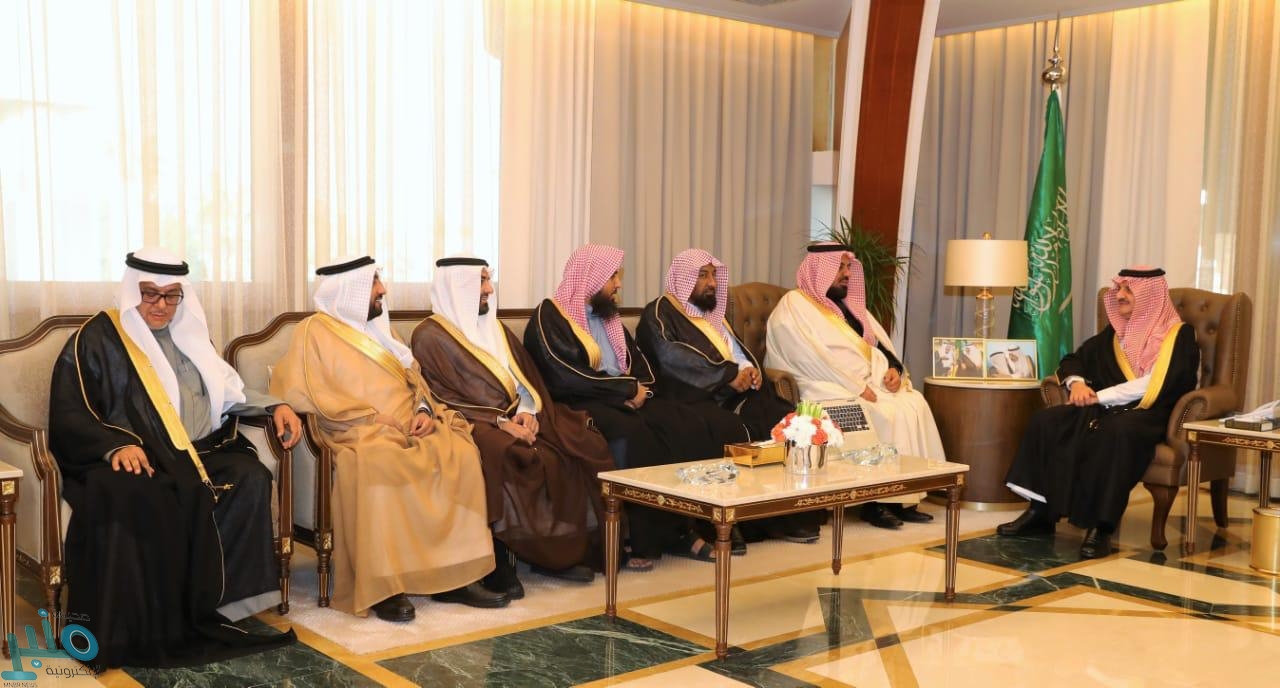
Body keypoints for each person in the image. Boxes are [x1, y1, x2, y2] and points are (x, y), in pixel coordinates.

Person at [49, 248, 300, 667]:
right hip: (141, 454)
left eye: (171, 296)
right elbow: (70, 410)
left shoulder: (192, 336)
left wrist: (275, 405)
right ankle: (154, 618)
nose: (161, 306)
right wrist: (115, 445)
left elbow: (227, 393)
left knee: (251, 475)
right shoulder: (99, 337)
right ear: (133, 291)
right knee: (147, 492)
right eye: (150, 294)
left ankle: (226, 602)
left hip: (199, 451)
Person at [270, 256, 508, 622]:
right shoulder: (313, 332)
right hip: (354, 431)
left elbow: (417, 382)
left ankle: (454, 576)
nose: (382, 290)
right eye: (374, 283)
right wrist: (370, 418)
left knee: (458, 450)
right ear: (349, 290)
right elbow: (303, 393)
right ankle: (384, 585)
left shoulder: (382, 331)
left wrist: (424, 412)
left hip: (409, 425)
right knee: (378, 461)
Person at [523, 244, 750, 564]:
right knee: (635, 434)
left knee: (686, 422)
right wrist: (624, 390)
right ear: (591, 276)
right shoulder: (550, 316)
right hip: (581, 402)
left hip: (622, 397)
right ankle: (644, 539)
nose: (618, 284)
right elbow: (564, 375)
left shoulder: (607, 316)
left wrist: (638, 391)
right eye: (612, 277)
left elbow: (640, 366)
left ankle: (689, 526)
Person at [412, 257, 616, 592]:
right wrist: (499, 421)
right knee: (508, 453)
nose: (489, 290)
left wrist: (528, 411)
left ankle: (553, 549)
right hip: (470, 421)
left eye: (488, 280)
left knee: (574, 445)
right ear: (459, 286)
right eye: (481, 282)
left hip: (515, 416)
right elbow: (439, 395)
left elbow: (524, 378)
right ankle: (498, 556)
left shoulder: (494, 326)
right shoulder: (429, 336)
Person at [997, 267, 1199, 559]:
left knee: (1115, 432)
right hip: (1104, 407)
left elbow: (1153, 383)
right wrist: (1077, 384)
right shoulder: (1115, 333)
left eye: (1128, 290)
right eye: (1119, 289)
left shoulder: (1178, 335)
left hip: (1148, 413)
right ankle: (1041, 511)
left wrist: (1098, 396)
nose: (1120, 296)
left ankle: (1101, 527)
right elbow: (1074, 359)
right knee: (1048, 421)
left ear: (1149, 296)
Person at [636, 248, 818, 544]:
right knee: (728, 429)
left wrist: (750, 371)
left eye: (714, 275)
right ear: (683, 278)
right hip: (690, 396)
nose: (712, 283)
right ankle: (725, 523)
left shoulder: (714, 318)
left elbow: (737, 353)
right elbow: (672, 358)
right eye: (703, 275)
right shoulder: (660, 313)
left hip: (732, 393)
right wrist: (726, 375)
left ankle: (785, 517)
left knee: (788, 421)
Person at [765, 243, 945, 529]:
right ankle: (874, 502)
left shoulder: (849, 307)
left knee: (913, 403)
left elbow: (878, 347)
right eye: (839, 267)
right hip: (820, 384)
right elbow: (807, 357)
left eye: (849, 267)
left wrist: (894, 370)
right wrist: (855, 385)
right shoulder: (794, 305)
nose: (847, 274)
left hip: (865, 382)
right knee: (883, 412)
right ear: (819, 269)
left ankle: (903, 496)